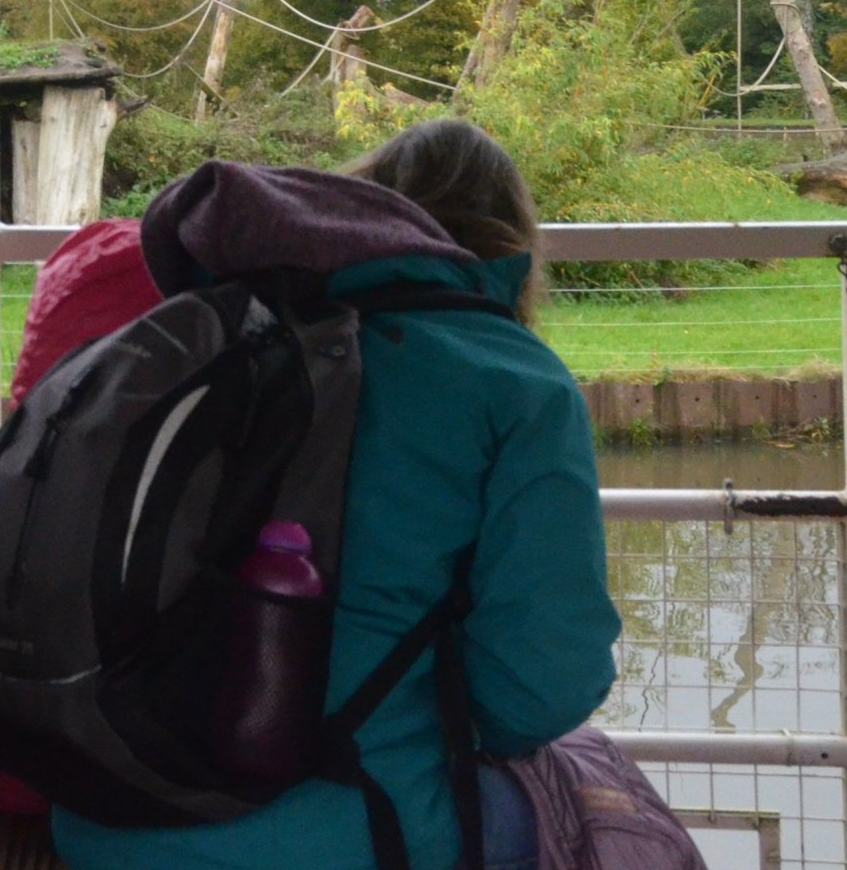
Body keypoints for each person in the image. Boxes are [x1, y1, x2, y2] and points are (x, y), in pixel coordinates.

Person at [32, 122, 619, 870]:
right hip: (359, 832)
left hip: (102, 819)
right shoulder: (513, 382)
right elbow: (543, 689)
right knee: (599, 811)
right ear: (510, 248)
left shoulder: (208, 336)